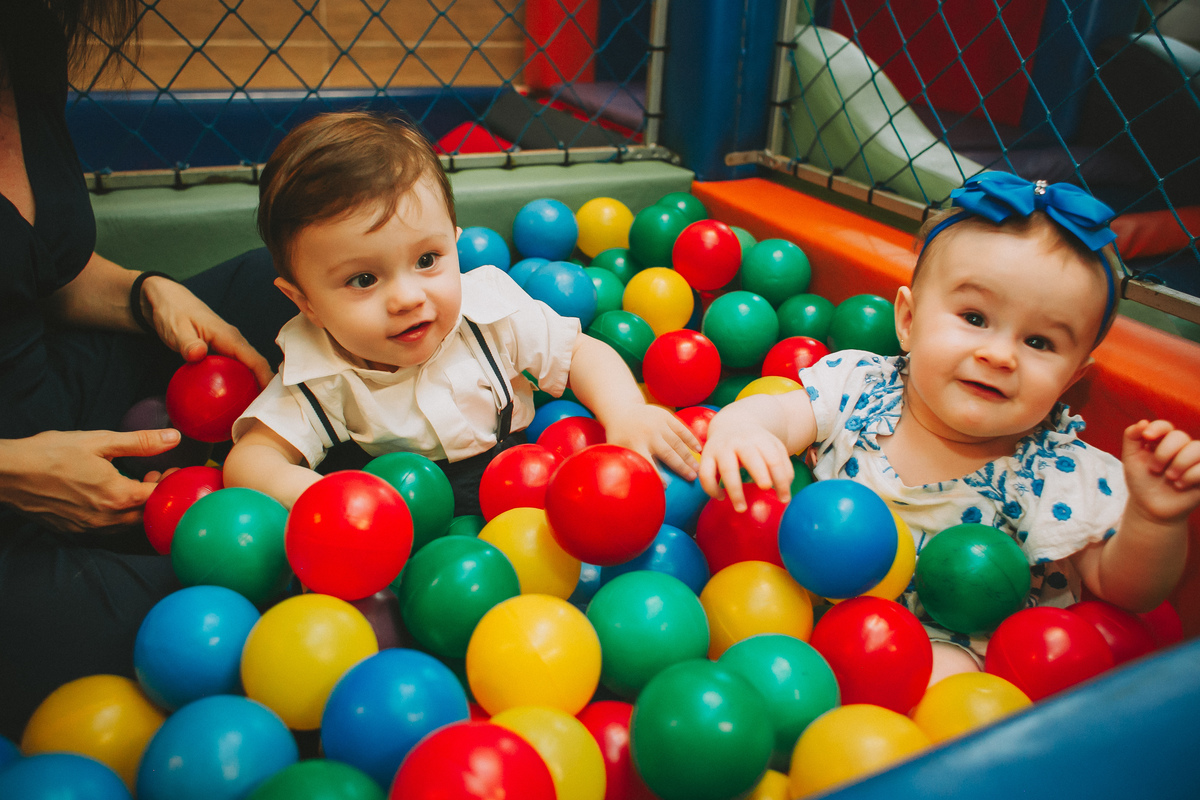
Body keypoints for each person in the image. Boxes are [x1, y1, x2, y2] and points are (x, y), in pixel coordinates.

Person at [699, 172, 1200, 681]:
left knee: (943, 675)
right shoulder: (859, 387)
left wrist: (1154, 520)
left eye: (1039, 343)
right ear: (908, 321)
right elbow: (782, 414)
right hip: (799, 606)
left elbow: (1123, 590)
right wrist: (740, 428)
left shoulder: (1055, 473)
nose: (999, 355)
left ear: (1071, 378)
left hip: (951, 652)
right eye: (975, 318)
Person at [0, 0, 297, 738]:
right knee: (208, 618)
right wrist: (13, 471)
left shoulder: (24, 37)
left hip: (51, 388)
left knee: (286, 287)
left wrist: (144, 293)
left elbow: (32, 268)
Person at [222, 111, 700, 515]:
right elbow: (250, 458)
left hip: (522, 482)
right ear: (306, 303)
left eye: (427, 260)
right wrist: (317, 495)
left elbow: (579, 353)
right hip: (400, 518)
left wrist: (626, 413)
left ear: (455, 243)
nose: (407, 298)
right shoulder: (321, 374)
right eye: (363, 279)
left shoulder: (489, 314)